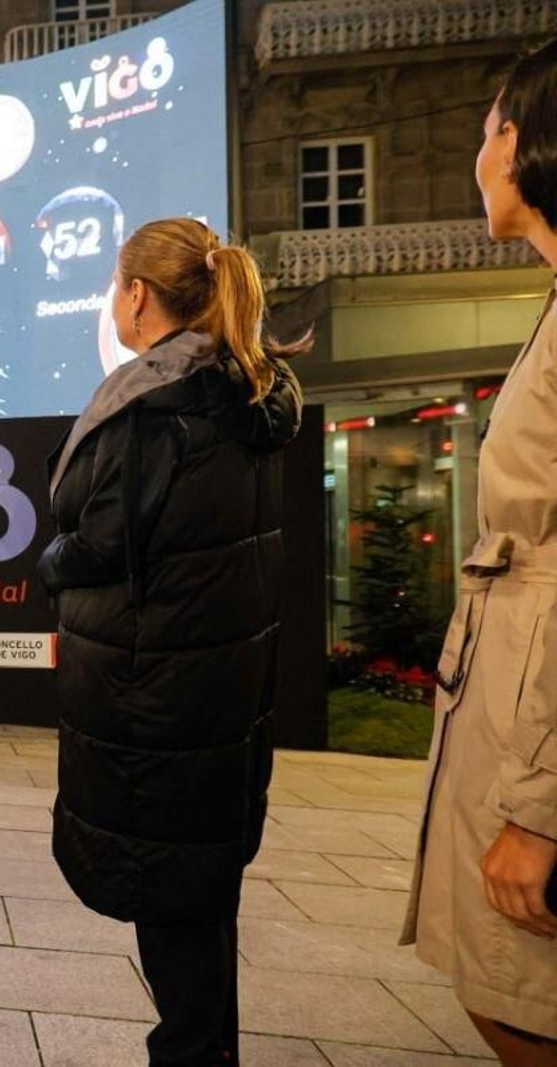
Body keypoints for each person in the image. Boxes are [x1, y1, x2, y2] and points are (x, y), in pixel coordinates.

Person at [38, 217, 306, 1066]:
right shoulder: (244, 393)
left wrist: (50, 558)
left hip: (156, 703)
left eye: (114, 285)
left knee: (175, 922)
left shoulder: (156, 410)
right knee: (200, 905)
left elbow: (97, 544)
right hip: (220, 695)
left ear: (139, 295)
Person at [404, 39, 557, 1064]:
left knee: (517, 998)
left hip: (529, 739)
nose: (476, 154)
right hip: (503, 710)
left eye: (488, 128)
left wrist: (538, 808)